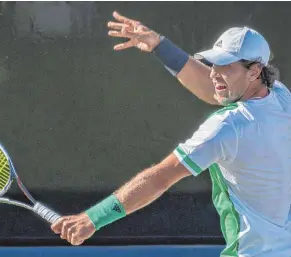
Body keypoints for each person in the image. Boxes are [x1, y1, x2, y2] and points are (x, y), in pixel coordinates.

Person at [51, 11, 291, 257]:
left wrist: (92, 218)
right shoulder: (281, 98)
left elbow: (161, 177)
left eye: (226, 66)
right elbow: (213, 89)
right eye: (214, 63)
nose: (214, 73)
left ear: (254, 71)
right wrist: (160, 46)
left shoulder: (227, 126)